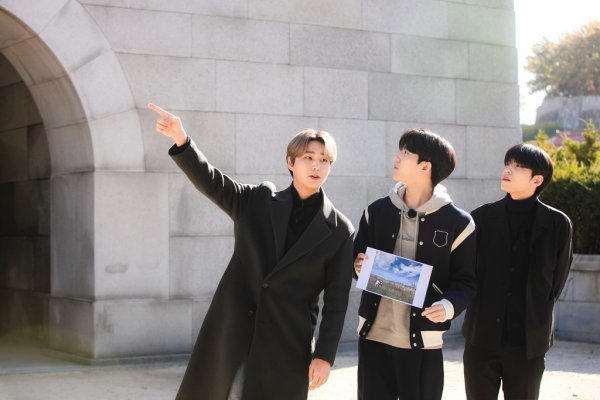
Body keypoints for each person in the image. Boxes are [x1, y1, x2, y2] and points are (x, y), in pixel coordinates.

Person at [148, 103, 354, 400]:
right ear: (290, 162)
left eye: (324, 160)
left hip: (287, 343)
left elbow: (337, 301)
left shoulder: (340, 230)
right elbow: (213, 182)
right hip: (234, 331)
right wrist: (182, 140)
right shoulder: (258, 201)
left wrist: (324, 356)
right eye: (308, 157)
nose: (316, 166)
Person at [353, 128, 477, 400]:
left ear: (425, 166)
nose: (397, 157)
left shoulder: (459, 223)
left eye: (406, 153)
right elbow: (355, 256)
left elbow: (467, 281)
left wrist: (448, 306)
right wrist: (357, 265)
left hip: (423, 342)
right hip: (373, 336)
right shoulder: (376, 211)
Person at [462, 143, 573, 400]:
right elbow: (467, 271)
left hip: (528, 342)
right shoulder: (481, 218)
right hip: (481, 336)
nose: (508, 170)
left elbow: (555, 282)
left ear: (537, 179)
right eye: (507, 164)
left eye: (518, 166)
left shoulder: (558, 224)